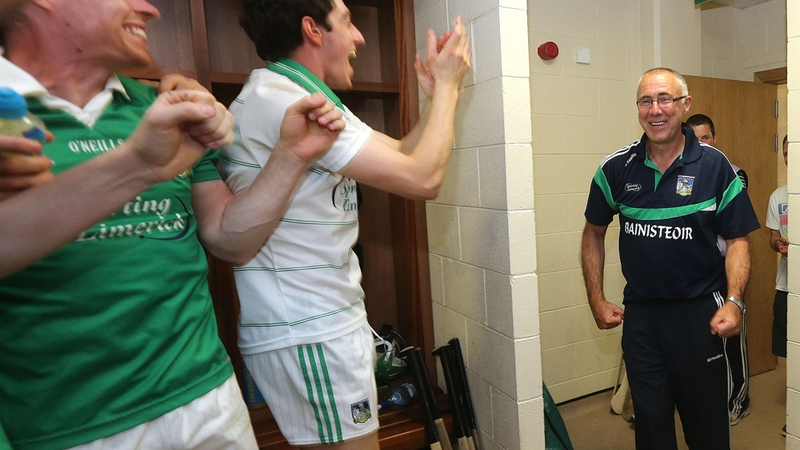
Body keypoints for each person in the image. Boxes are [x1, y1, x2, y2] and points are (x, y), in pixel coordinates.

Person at [0, 0, 347, 449]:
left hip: (209, 399)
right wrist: (137, 166)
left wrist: (291, 156)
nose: (149, 9)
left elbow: (229, 239)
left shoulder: (163, 108)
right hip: (67, 428)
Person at [217, 0, 471, 447]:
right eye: (349, 23)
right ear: (313, 29)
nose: (359, 39)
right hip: (307, 324)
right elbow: (424, 178)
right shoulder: (285, 100)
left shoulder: (291, 92)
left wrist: (435, 99)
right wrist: (449, 89)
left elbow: (402, 153)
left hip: (320, 322)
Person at [581, 67, 759, 450]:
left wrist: (735, 300)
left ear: (685, 105)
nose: (655, 109)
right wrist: (595, 298)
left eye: (665, 99)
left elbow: (738, 240)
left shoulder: (715, 167)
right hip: (642, 320)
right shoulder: (615, 169)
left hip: (700, 317)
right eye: (646, 100)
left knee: (707, 428)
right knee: (651, 427)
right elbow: (593, 233)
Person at [686, 112, 751, 426]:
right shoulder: (682, 175)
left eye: (706, 137)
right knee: (704, 342)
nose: (701, 144)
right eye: (695, 138)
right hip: (697, 275)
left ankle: (739, 398)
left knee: (732, 341)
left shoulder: (733, 174)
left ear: (716, 138)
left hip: (727, 272)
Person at [767, 135, 789, 436]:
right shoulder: (778, 196)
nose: (789, 157)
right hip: (786, 285)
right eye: (786, 153)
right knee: (789, 351)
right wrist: (778, 244)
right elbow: (772, 238)